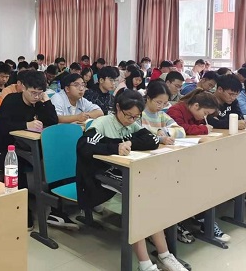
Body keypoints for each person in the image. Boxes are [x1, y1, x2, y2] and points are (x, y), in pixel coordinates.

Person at [77, 92, 186, 271]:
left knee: (153, 198)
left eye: (136, 117)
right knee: (139, 204)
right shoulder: (102, 123)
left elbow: (152, 140)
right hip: (97, 179)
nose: (131, 120)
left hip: (124, 175)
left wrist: (127, 142)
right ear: (118, 108)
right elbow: (84, 145)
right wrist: (115, 146)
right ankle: (145, 264)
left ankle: (165, 255)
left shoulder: (132, 123)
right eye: (128, 115)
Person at [0, 70, 58, 229]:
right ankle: (21, 209)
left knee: (56, 158)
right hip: (6, 149)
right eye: (33, 93)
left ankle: (58, 209)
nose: (36, 96)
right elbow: (2, 126)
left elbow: (53, 121)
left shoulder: (39, 102)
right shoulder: (11, 100)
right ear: (23, 88)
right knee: (17, 165)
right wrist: (26, 125)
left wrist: (46, 101)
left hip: (30, 147)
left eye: (40, 93)